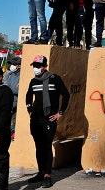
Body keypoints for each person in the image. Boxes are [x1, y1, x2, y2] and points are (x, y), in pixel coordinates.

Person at [25, 55, 70, 188]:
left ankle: (47, 176)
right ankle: (41, 172)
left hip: (49, 119)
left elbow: (66, 95)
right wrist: (29, 109)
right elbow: (28, 96)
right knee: (39, 146)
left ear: (44, 66)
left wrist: (60, 113)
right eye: (34, 66)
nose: (35, 68)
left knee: (47, 145)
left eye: (38, 66)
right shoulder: (33, 81)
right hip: (36, 119)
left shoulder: (54, 79)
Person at [4, 57, 22, 138]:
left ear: (20, 65)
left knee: (15, 120)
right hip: (9, 102)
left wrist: (11, 88)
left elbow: (16, 90)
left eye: (14, 64)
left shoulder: (22, 75)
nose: (12, 66)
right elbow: (6, 87)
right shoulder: (10, 74)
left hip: (17, 103)